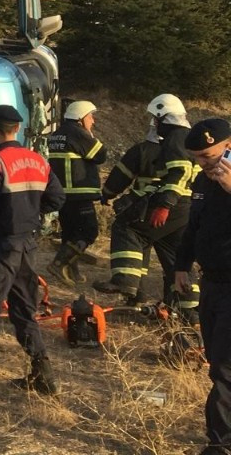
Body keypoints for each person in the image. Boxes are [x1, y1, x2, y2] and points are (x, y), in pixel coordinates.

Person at [0, 104, 65, 400]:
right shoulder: (38, 160)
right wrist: (32, 213)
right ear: (18, 128)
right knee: (25, 312)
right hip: (27, 246)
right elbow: (57, 198)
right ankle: (43, 375)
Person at [94, 94, 198, 316]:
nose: (155, 124)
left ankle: (126, 283)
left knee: (128, 227)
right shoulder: (188, 138)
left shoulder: (175, 137)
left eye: (156, 118)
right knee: (177, 257)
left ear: (163, 117)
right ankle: (189, 310)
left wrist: (165, 205)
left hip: (172, 203)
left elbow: (181, 171)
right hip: (188, 208)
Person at [176, 118, 231, 455]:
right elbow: (193, 227)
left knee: (226, 366)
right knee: (216, 362)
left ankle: (220, 445)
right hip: (212, 284)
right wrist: (181, 265)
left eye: (209, 155)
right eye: (197, 157)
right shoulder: (203, 180)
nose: (204, 163)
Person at [45, 99, 107, 285]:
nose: (93, 121)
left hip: (61, 194)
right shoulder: (78, 134)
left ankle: (72, 272)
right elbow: (101, 155)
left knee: (70, 234)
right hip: (79, 194)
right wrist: (89, 134)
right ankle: (58, 263)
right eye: (90, 116)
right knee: (88, 232)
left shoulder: (57, 134)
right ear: (80, 117)